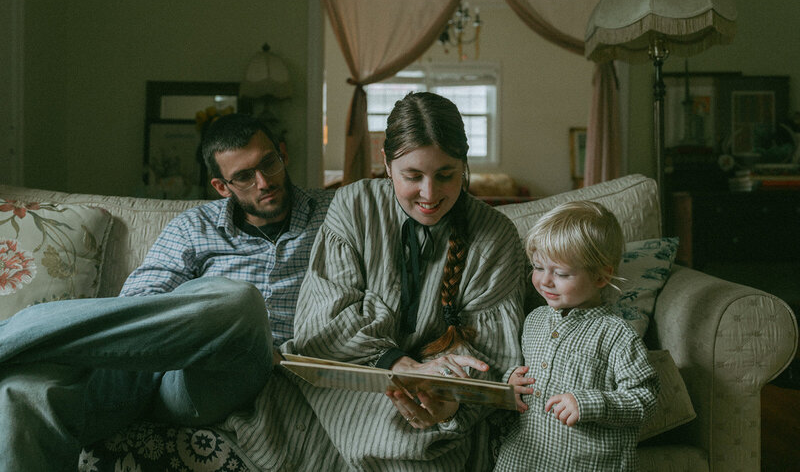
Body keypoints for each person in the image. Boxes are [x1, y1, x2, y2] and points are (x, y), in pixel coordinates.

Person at [0, 113, 334, 471]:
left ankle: (12, 335)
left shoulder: (335, 213)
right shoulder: (193, 226)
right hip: (153, 367)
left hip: (228, 372)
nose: (264, 182)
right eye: (243, 177)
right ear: (222, 187)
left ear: (282, 153)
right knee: (23, 391)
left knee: (238, 301)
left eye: (269, 163)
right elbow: (139, 307)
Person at [222, 91, 527, 471]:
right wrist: (403, 366)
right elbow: (322, 323)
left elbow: (493, 353)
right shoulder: (354, 204)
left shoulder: (496, 234)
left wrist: (449, 398)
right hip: (351, 380)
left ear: (464, 165)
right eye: (412, 176)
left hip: (439, 402)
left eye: (446, 175)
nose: (429, 195)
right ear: (385, 163)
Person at [493, 200, 660, 471]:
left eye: (560, 273)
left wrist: (589, 403)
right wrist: (510, 383)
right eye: (537, 267)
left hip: (587, 463)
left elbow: (646, 398)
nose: (545, 281)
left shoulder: (616, 333)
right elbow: (528, 373)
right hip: (525, 456)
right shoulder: (534, 320)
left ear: (600, 277)